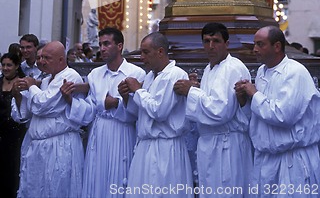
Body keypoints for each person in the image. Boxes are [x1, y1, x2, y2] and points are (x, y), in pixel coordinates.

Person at [61, 27, 146, 198]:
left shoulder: (136, 73)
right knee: (96, 176)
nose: (102, 48)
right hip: (99, 133)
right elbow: (91, 108)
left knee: (119, 175)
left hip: (122, 131)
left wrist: (116, 103)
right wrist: (71, 100)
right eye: (100, 44)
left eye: (107, 44)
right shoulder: (95, 74)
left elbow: (139, 109)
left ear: (119, 46)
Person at [235, 26, 320, 195]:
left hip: (291, 161)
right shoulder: (261, 72)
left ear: (277, 46)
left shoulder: (295, 73)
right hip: (266, 160)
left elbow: (283, 116)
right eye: (254, 44)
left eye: (260, 44)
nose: (255, 50)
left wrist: (255, 94)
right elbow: (260, 116)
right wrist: (244, 99)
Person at [174, 22, 252, 197]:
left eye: (216, 41)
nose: (210, 46)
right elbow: (211, 99)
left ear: (227, 43)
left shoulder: (233, 67)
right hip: (210, 145)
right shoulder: (210, 69)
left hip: (227, 145)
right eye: (206, 41)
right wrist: (197, 88)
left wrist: (191, 92)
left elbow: (220, 111)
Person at [119, 32, 193, 197]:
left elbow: (159, 111)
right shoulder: (150, 76)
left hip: (166, 147)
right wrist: (127, 98)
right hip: (145, 146)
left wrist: (138, 90)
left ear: (160, 52)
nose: (141, 57)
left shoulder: (175, 74)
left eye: (145, 52)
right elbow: (140, 113)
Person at [13, 41, 85, 198]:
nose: (42, 61)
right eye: (41, 57)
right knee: (36, 189)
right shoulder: (46, 80)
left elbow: (44, 105)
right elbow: (29, 112)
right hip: (39, 146)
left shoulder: (70, 76)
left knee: (56, 189)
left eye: (47, 57)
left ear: (61, 59)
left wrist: (32, 86)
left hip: (59, 145)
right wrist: (19, 95)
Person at [0, 53, 26, 198]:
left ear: (16, 66)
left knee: (12, 173)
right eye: (3, 65)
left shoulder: (21, 83)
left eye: (9, 65)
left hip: (15, 136)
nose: (5, 68)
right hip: (0, 134)